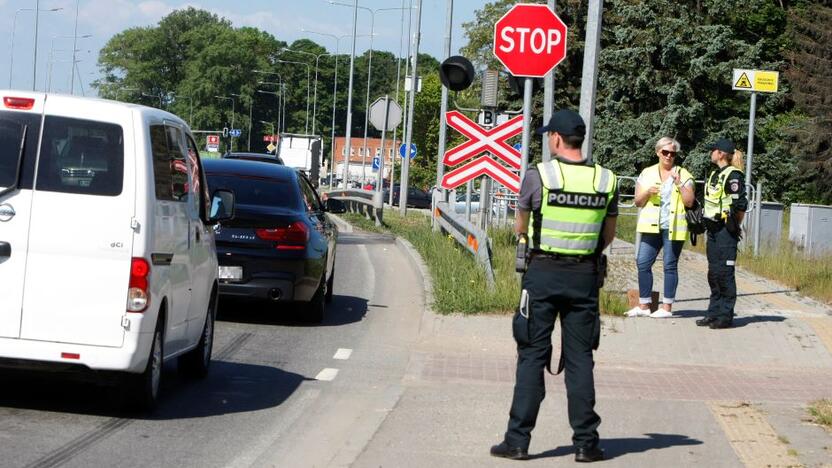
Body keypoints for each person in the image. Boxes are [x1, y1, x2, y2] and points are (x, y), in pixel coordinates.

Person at [490, 109, 618, 463]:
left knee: (532, 355)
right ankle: (586, 444)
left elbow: (521, 226)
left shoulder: (539, 176)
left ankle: (517, 441)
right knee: (580, 360)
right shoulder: (606, 180)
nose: (548, 140)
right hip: (584, 278)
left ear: (557, 139)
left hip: (542, 275)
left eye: (549, 136)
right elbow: (608, 235)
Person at [626, 137, 695, 318]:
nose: (669, 156)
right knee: (642, 262)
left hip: (673, 227)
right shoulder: (647, 173)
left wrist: (679, 183)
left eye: (672, 153)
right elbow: (638, 202)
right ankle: (644, 305)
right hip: (651, 226)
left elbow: (689, 202)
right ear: (658, 152)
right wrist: (647, 192)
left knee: (669, 265)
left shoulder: (683, 173)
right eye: (665, 152)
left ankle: (666, 308)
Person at [697, 138, 747, 329]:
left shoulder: (734, 176)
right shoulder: (715, 174)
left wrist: (734, 226)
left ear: (720, 153)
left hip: (726, 231)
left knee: (725, 274)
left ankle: (725, 316)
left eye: (713, 150)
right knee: (714, 273)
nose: (711, 153)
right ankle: (713, 313)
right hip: (713, 230)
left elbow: (740, 205)